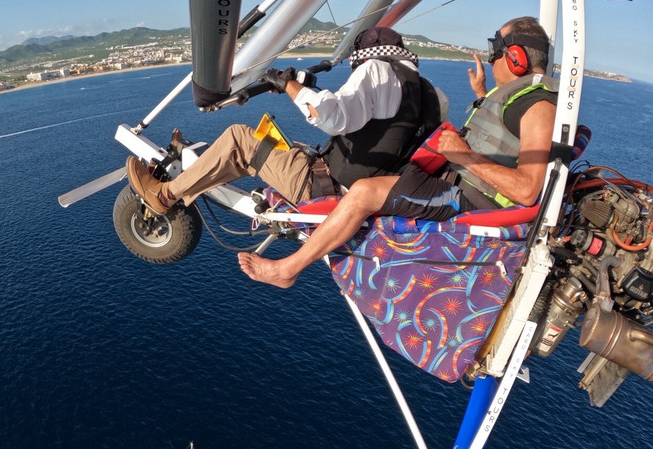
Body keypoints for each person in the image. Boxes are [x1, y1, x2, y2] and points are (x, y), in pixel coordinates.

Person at [238, 15, 558, 289]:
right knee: (383, 180)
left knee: (364, 192)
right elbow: (504, 139)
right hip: (460, 182)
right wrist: (482, 95)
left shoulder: (538, 105)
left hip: (469, 197)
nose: (491, 58)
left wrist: (463, 154)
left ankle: (286, 270)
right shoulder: (522, 98)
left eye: (495, 49)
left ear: (516, 58)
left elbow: (527, 189)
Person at [125, 26, 446, 216]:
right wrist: (302, 89)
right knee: (272, 140)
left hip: (327, 189)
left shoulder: (376, 70)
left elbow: (333, 116)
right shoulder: (430, 93)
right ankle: (191, 180)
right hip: (361, 188)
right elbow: (371, 120)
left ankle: (164, 196)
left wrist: (288, 85)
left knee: (239, 139)